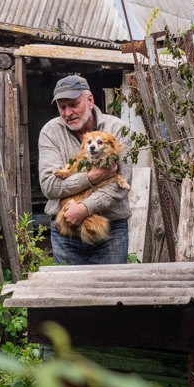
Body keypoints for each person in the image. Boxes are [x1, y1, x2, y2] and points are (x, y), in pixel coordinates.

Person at [38, 75, 133, 265]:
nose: (67, 113)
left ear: (90, 100)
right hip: (66, 230)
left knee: (111, 290)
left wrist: (84, 209)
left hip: (110, 231)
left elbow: (120, 185)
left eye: (73, 104)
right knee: (68, 293)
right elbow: (50, 186)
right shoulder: (50, 132)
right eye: (62, 107)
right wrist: (91, 177)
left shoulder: (117, 129)